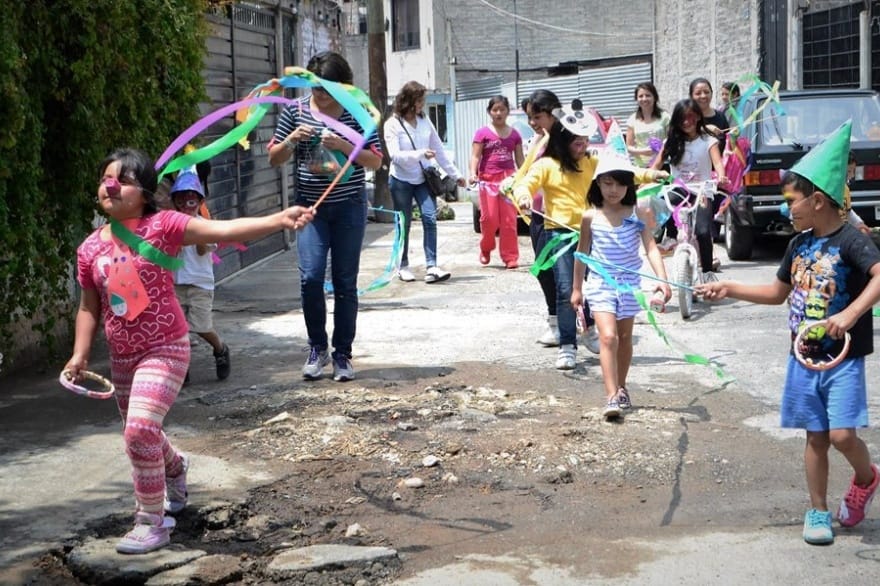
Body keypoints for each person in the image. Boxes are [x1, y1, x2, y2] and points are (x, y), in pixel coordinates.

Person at [64, 148, 313, 554]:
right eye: (106, 177)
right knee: (141, 433)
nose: (111, 185)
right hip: (123, 358)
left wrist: (278, 219)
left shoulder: (164, 225)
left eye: (123, 179)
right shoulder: (89, 249)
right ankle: (176, 467)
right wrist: (80, 355)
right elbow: (89, 306)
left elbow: (225, 231)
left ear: (144, 192)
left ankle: (151, 521)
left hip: (165, 348)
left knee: (140, 429)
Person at [697, 121, 880, 545]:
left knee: (841, 435)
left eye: (791, 200)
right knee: (816, 436)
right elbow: (778, 293)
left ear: (818, 201)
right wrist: (730, 287)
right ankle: (817, 511)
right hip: (803, 357)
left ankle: (866, 478)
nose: (787, 208)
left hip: (843, 358)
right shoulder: (798, 245)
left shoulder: (852, 240)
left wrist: (851, 313)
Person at [514, 105, 666, 370]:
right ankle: (567, 346)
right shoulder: (546, 165)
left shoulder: (592, 162)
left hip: (594, 231)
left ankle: (590, 330)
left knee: (596, 288)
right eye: (576, 140)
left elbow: (622, 171)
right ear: (562, 140)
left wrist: (652, 174)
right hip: (560, 235)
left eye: (585, 140)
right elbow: (525, 183)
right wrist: (524, 196)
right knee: (566, 290)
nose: (582, 145)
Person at [268, 51, 383, 382]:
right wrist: (291, 140)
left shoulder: (357, 112)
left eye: (327, 89)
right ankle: (316, 348)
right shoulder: (297, 110)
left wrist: (344, 145)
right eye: (316, 87)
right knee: (311, 278)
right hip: (310, 208)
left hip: (349, 206)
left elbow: (375, 161)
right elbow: (275, 159)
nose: (320, 95)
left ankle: (342, 354)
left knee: (346, 283)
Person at [571, 153, 671, 418]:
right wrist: (577, 289)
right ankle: (612, 395)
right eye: (607, 183)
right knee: (608, 336)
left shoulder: (636, 213)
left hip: (629, 287)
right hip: (601, 285)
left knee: (625, 338)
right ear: (597, 185)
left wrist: (662, 280)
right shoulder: (590, 217)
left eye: (619, 183)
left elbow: (650, 247)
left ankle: (622, 387)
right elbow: (581, 254)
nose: (613, 190)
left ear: (628, 186)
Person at [385, 80, 465, 284]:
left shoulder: (424, 121)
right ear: (409, 101)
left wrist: (456, 175)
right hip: (401, 180)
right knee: (404, 223)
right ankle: (402, 265)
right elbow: (394, 155)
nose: (422, 104)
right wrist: (420, 153)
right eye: (420, 100)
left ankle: (432, 265)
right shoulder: (393, 124)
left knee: (430, 217)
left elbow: (438, 149)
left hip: (422, 179)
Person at [652, 99, 728, 279]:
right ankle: (670, 237)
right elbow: (656, 165)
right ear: (677, 121)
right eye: (682, 119)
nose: (687, 122)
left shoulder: (708, 140)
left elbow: (717, 162)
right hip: (681, 189)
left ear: (698, 118)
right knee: (661, 202)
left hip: (703, 190)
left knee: (702, 232)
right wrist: (647, 178)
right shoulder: (670, 141)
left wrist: (722, 175)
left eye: (691, 117)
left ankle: (708, 271)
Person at [170, 168, 230, 383]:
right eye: (181, 198)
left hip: (200, 284)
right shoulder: (170, 225)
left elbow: (204, 250)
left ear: (199, 201)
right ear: (175, 201)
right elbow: (168, 252)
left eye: (191, 198)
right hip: (175, 284)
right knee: (178, 329)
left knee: (202, 326)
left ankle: (221, 349)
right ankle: (181, 367)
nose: (187, 202)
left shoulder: (205, 225)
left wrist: (195, 232)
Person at [522, 90, 563, 347]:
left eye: (537, 117)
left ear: (552, 113)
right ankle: (556, 323)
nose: (533, 123)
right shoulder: (537, 140)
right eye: (530, 118)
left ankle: (584, 323)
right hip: (538, 214)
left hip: (561, 217)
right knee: (544, 270)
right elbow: (527, 172)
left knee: (567, 274)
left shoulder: (566, 141)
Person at [470, 95, 525, 269]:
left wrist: (525, 178)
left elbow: (520, 160)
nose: (498, 113)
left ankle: (510, 257)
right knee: (489, 219)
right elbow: (475, 156)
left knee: (509, 221)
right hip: (487, 181)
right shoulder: (482, 133)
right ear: (489, 112)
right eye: (495, 110)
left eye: (502, 109)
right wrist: (473, 173)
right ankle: (486, 247)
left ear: (508, 111)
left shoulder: (515, 135)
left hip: (508, 182)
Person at [625, 82, 671, 168]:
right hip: (641, 167)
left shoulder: (665, 117)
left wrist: (662, 148)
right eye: (640, 96)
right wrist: (643, 151)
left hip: (662, 164)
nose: (644, 99)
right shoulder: (632, 120)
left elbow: (671, 140)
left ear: (655, 97)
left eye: (648, 95)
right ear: (636, 99)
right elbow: (629, 147)